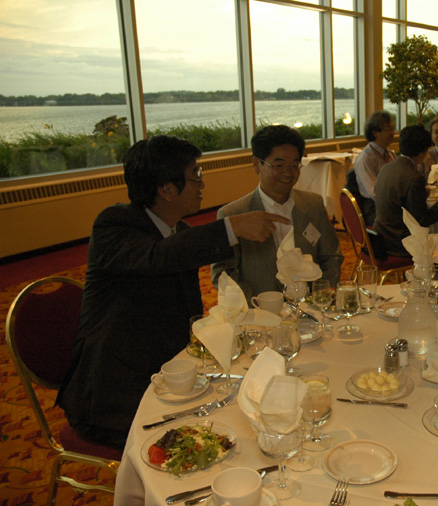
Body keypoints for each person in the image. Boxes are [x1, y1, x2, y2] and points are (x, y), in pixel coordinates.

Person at [57, 135, 288, 449]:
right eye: (195, 175)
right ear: (166, 189)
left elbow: (184, 305)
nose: (202, 185)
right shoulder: (114, 225)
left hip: (171, 375)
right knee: (214, 439)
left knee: (244, 411)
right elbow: (157, 256)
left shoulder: (179, 231)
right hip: (114, 396)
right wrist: (231, 228)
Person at [211, 125, 342, 301]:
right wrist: (257, 305)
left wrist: (320, 296)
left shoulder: (313, 205)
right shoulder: (234, 214)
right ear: (256, 164)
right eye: (278, 165)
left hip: (311, 308)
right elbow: (222, 274)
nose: (288, 173)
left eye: (294, 165)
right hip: (259, 310)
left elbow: (332, 256)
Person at [374, 125, 438, 257]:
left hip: (380, 236)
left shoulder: (386, 168)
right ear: (422, 153)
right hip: (400, 242)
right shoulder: (414, 177)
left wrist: (420, 195)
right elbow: (423, 220)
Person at [354, 111, 396, 225]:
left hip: (392, 203)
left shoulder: (390, 154)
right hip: (375, 208)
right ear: (375, 133)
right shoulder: (366, 158)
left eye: (393, 128)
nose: (393, 133)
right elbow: (375, 193)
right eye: (389, 129)